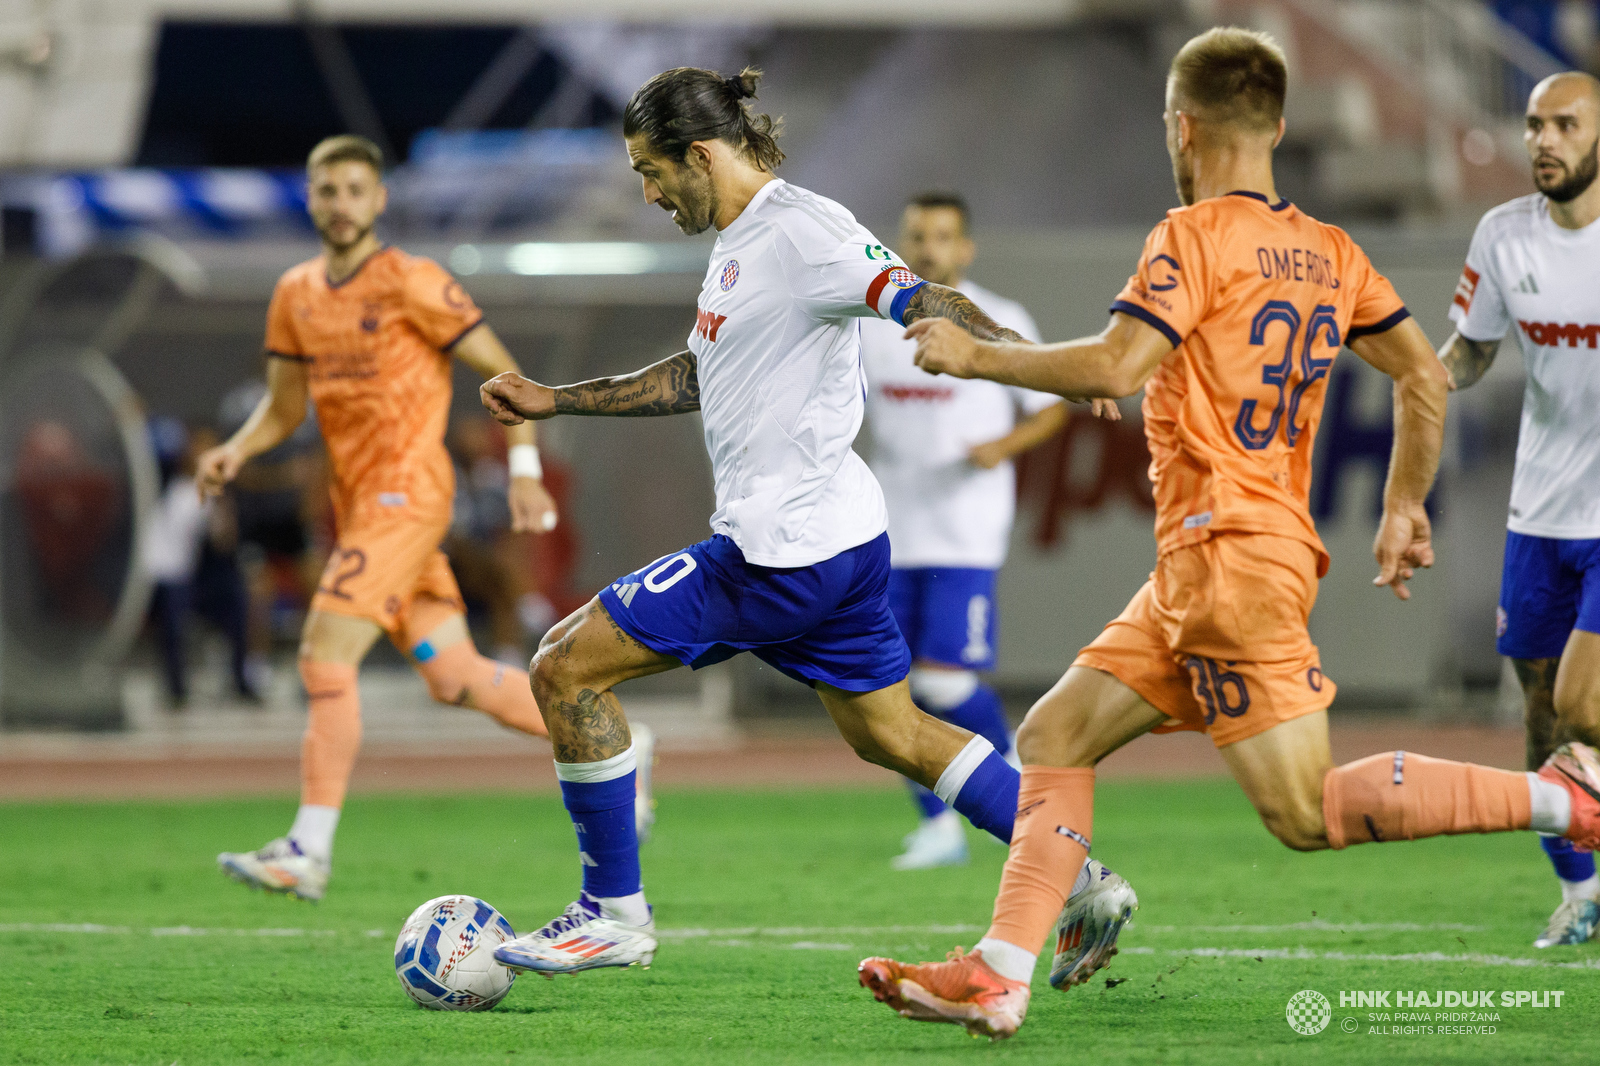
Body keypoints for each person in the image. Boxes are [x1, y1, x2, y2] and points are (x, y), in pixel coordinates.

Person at [857, 28, 1600, 1040]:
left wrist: (975, 356)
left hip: (1229, 561)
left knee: (1305, 813)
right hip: (1211, 564)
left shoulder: (1191, 235)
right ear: (1282, 126)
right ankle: (998, 970)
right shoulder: (1330, 251)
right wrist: (1402, 503)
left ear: (1182, 126)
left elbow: (1119, 366)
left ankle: (1566, 802)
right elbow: (1424, 376)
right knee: (1051, 735)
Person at [477, 66, 1134, 981]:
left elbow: (922, 297)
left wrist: (1035, 360)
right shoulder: (740, 240)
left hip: (777, 554)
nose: (647, 191)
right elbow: (702, 377)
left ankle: (613, 914)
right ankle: (1081, 877)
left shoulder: (806, 231)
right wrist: (559, 400)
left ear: (700, 154)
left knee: (564, 669)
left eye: (649, 170)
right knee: (894, 735)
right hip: (839, 542)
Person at [200, 134, 566, 902]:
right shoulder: (295, 292)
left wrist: (524, 471)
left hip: (408, 497)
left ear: (379, 199)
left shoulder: (412, 281)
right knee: (454, 675)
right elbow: (285, 408)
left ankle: (308, 848)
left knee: (324, 652)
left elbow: (508, 376)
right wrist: (235, 450)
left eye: (354, 189)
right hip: (359, 508)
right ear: (310, 196)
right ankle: (621, 746)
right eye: (326, 190)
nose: (340, 204)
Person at [860, 190, 1070, 869]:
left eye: (943, 237)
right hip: (886, 531)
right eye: (917, 235)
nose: (929, 249)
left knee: (944, 685)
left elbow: (1050, 406)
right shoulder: (871, 326)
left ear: (967, 248)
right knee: (883, 691)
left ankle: (1011, 781)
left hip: (963, 532)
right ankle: (939, 828)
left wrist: (999, 449)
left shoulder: (997, 320)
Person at [1440, 71, 1600, 948]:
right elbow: (1471, 350)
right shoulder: (1503, 236)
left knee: (1584, 705)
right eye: (1535, 123)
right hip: (1539, 513)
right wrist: (1422, 378)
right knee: (1540, 712)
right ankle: (1582, 893)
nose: (1545, 139)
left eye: (1566, 125)